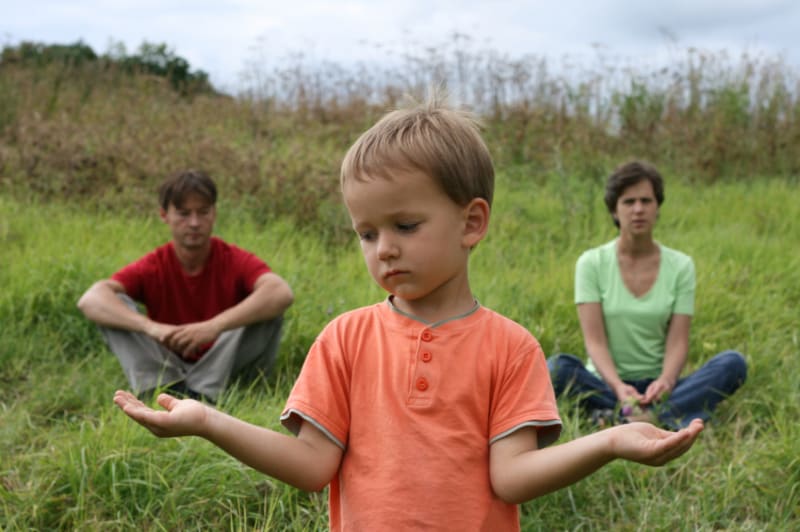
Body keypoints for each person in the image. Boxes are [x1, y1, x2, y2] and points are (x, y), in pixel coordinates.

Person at [114, 99, 704, 531]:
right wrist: (207, 422)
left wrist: (609, 443)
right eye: (366, 233)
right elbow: (312, 465)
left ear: (472, 222)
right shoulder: (346, 338)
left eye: (405, 225)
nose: (384, 249)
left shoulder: (511, 347)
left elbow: (511, 479)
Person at [548, 160, 747, 429]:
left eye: (646, 200)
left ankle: (628, 417)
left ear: (657, 207)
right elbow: (594, 343)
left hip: (658, 387)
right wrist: (619, 387)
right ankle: (658, 416)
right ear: (615, 211)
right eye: (629, 202)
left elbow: (678, 341)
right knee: (557, 368)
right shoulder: (591, 263)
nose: (638, 209)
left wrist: (665, 382)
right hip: (607, 383)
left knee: (732, 363)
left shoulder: (680, 266)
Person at [79, 169, 294, 403]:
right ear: (165, 215)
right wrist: (152, 328)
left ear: (214, 214)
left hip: (222, 366)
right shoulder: (155, 265)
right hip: (168, 362)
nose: (194, 223)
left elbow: (280, 291)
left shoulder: (232, 258)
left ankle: (206, 393)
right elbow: (90, 299)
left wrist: (213, 326)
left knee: (267, 307)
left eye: (203, 213)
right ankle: (165, 387)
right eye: (183, 214)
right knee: (113, 303)